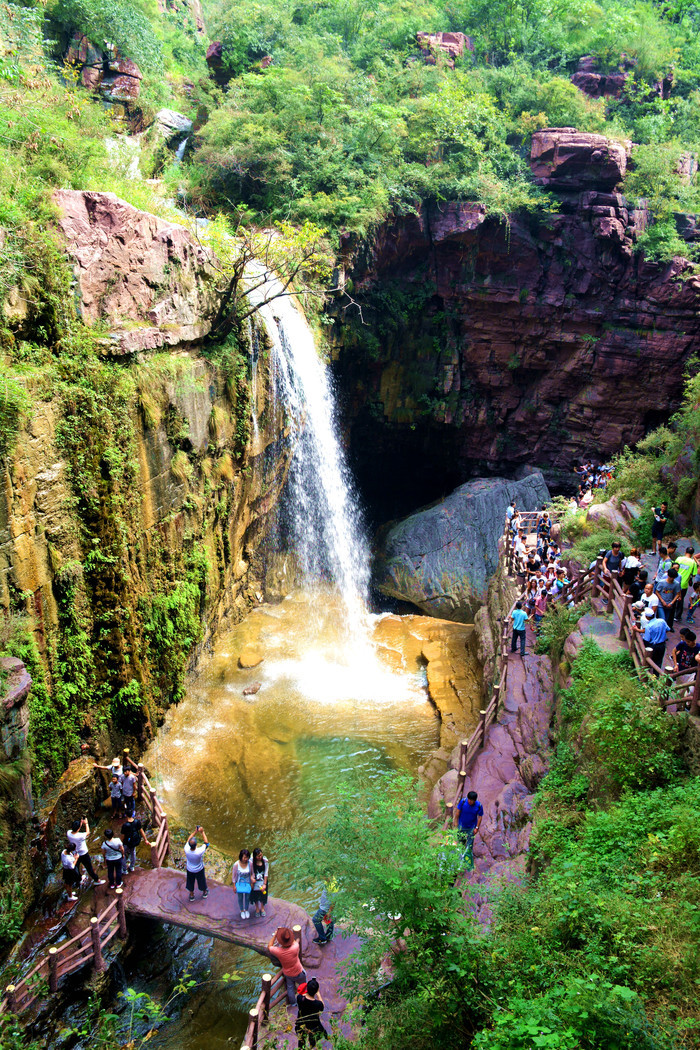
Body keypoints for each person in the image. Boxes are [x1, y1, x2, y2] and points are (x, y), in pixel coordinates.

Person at [268, 926, 307, 1004]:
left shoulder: (278, 951)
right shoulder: (295, 947)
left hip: (288, 974)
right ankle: (304, 999)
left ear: (280, 941)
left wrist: (275, 935)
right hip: (299, 971)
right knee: (303, 985)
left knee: (290, 989)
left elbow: (270, 946)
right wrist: (286, 934)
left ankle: (293, 1003)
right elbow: (293, 941)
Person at [66, 818, 104, 886]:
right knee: (89, 868)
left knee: (76, 867)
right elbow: (88, 832)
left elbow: (76, 830)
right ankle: (96, 880)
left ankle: (78, 880)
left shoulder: (68, 833)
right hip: (83, 853)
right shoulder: (80, 836)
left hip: (75, 854)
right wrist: (86, 823)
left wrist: (80, 824)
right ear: (78, 829)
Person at [633, 608, 670, 672]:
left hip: (653, 645)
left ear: (647, 617)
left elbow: (647, 639)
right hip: (662, 645)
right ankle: (656, 676)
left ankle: (645, 675)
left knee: (648, 661)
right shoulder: (662, 621)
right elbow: (668, 629)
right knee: (658, 662)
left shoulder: (649, 626)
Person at [295, 977, 328, 1048]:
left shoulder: (300, 998)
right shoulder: (317, 1004)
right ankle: (312, 1046)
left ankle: (301, 1048)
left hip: (302, 1022)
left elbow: (302, 994)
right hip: (313, 1024)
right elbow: (322, 1006)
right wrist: (318, 993)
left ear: (307, 989)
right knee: (313, 1037)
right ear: (316, 991)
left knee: (301, 1039)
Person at [455, 790, 483, 870]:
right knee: (461, 843)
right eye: (469, 800)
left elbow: (480, 817)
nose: (470, 802)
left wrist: (477, 827)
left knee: (470, 844)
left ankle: (468, 861)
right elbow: (457, 812)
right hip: (462, 826)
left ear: (475, 800)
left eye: (472, 800)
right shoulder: (463, 802)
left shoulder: (478, 806)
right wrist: (456, 824)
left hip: (471, 828)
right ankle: (460, 859)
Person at [184, 825, 209, 902]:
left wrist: (195, 832)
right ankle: (204, 892)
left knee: (190, 882)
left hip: (190, 869)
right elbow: (206, 843)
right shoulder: (199, 851)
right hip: (199, 869)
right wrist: (202, 832)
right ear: (196, 845)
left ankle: (191, 895)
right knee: (201, 880)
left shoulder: (186, 849)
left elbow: (188, 839)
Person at [312, 880, 337, 945]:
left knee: (315, 920)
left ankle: (322, 938)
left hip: (325, 908)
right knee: (329, 920)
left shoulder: (333, 885)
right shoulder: (329, 881)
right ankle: (329, 936)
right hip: (326, 907)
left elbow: (334, 900)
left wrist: (329, 912)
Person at [674, 547, 697, 615]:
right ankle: (678, 615)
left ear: (685, 552)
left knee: (672, 597)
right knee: (681, 599)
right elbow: (694, 574)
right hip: (684, 584)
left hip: (675, 581)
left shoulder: (679, 559)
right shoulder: (693, 563)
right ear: (692, 554)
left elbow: (673, 567)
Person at [232, 848, 253, 919]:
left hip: (247, 883)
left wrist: (252, 882)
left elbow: (252, 873)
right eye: (244, 857)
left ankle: (246, 909)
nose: (245, 859)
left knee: (247, 897)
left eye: (247, 857)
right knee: (240, 897)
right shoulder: (236, 864)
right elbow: (234, 876)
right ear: (241, 857)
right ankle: (241, 910)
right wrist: (234, 886)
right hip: (239, 883)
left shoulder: (250, 863)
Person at [250, 847, 269, 918]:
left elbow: (266, 873)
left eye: (261, 855)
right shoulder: (252, 862)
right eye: (258, 856)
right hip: (255, 881)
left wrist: (264, 884)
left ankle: (262, 908)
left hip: (262, 881)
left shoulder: (265, 862)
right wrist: (251, 879)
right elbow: (250, 872)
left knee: (262, 895)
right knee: (255, 896)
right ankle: (257, 909)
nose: (260, 857)